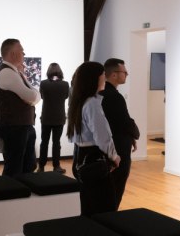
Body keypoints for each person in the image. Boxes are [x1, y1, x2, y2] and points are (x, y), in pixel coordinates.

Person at [67, 62, 120, 215]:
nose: (105, 77)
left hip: (81, 158)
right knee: (104, 207)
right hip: (93, 161)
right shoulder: (92, 104)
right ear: (95, 78)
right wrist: (114, 156)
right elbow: (103, 137)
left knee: (88, 205)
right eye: (103, 74)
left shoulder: (79, 101)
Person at [0, 39, 40, 176]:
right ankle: (10, 194)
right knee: (14, 167)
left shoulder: (14, 72)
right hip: (14, 127)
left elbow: (35, 95)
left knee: (27, 165)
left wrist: (32, 99)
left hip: (20, 126)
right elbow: (33, 96)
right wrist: (33, 99)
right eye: (21, 50)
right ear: (13, 53)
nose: (24, 53)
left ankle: (20, 193)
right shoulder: (7, 73)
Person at [101, 58, 139, 209]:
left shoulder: (103, 94)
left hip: (113, 144)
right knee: (116, 187)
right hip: (118, 147)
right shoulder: (114, 96)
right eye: (124, 72)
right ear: (114, 74)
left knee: (109, 188)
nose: (127, 74)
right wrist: (135, 134)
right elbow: (125, 121)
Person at [38, 62, 70, 173]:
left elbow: (41, 96)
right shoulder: (65, 84)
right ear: (60, 71)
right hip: (59, 117)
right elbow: (66, 96)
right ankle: (56, 166)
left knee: (44, 142)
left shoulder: (43, 84)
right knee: (56, 142)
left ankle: (41, 166)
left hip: (46, 117)